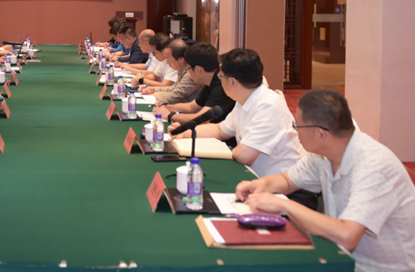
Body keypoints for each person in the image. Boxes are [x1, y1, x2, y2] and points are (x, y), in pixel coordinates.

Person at [236, 90, 415, 271]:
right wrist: (260, 185)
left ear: (321, 135)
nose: (295, 131)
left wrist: (284, 205)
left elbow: (347, 236)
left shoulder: (373, 166)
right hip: (342, 258)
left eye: (297, 126)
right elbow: (287, 181)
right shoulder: (324, 154)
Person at [172, 49, 304, 179]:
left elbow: (244, 155)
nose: (219, 80)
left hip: (284, 184)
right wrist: (184, 133)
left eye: (220, 76)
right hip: (258, 178)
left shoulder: (268, 106)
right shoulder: (244, 99)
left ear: (233, 82)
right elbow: (220, 130)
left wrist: (226, 149)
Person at [162, 42, 235, 125]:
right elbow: (192, 106)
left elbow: (201, 118)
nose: (189, 72)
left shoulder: (221, 86)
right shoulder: (210, 80)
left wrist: (169, 115)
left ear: (198, 69)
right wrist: (165, 107)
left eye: (188, 68)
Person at [141, 39, 202, 104]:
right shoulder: (182, 68)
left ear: (181, 59)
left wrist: (156, 95)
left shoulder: (190, 73)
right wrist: (153, 89)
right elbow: (174, 88)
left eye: (169, 59)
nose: (167, 62)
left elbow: (175, 96)